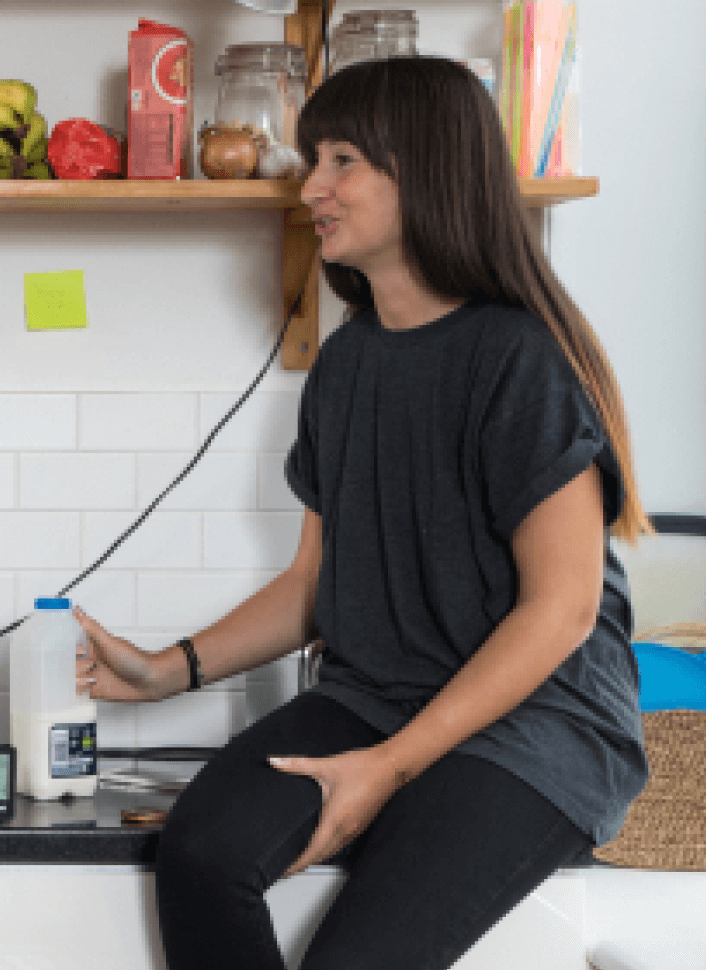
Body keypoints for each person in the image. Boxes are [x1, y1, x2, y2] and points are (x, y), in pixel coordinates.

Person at [76, 57, 649, 970]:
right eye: (314, 159)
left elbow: (563, 611)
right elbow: (316, 584)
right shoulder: (345, 366)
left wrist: (393, 765)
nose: (313, 187)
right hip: (372, 699)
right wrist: (166, 670)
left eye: (343, 160)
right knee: (199, 853)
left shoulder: (518, 358)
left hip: (538, 726)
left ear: (426, 173)